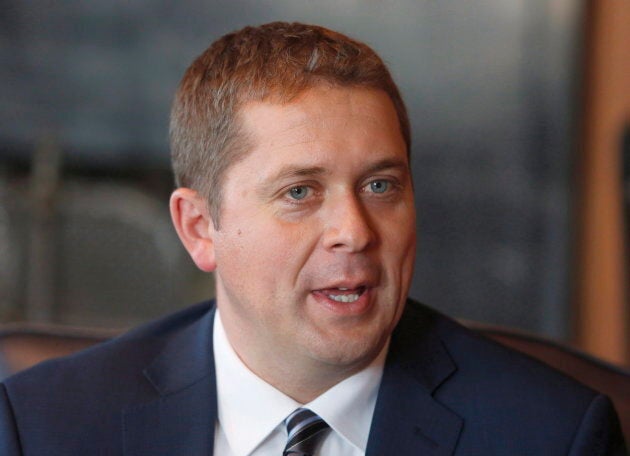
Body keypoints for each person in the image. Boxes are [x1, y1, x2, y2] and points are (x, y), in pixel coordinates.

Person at [0, 22, 625, 455]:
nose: (354, 232)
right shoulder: (43, 426)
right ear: (199, 227)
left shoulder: (552, 435)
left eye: (381, 186)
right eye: (300, 192)